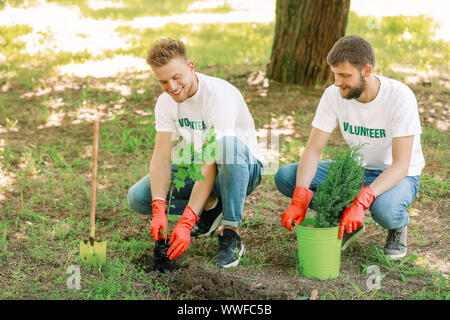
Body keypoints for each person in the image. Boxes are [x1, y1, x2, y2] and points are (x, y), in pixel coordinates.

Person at [275, 35, 425, 260]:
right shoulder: (333, 95)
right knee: (287, 177)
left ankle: (398, 227)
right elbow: (313, 150)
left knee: (385, 210)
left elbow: (401, 165)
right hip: (358, 169)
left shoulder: (399, 97)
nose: (337, 82)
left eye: (345, 75)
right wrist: (300, 197)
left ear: (366, 70)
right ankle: (344, 219)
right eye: (335, 74)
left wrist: (363, 200)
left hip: (398, 175)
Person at [127, 38, 266, 268]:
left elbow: (212, 160)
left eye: (176, 77)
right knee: (139, 196)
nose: (172, 86)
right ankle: (211, 208)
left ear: (191, 66)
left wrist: (187, 220)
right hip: (203, 167)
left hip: (241, 170)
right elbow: (162, 155)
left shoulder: (217, 96)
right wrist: (159, 207)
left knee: (225, 147)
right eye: (163, 81)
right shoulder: (165, 102)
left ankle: (231, 233)